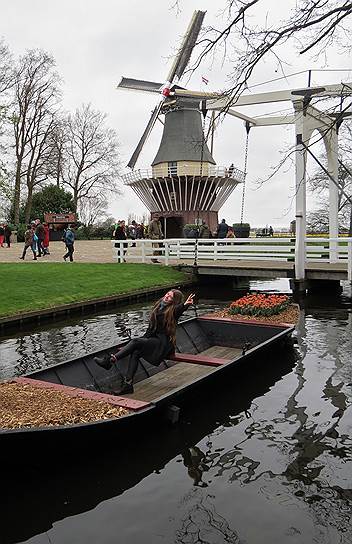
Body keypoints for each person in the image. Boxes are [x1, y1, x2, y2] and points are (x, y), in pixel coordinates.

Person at [94, 289, 195, 394]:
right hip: (154, 339)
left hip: (163, 344)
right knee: (136, 351)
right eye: (167, 294)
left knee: (135, 342)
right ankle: (128, 385)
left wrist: (185, 305)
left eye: (170, 297)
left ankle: (110, 361)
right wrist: (143, 340)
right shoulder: (158, 306)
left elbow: (179, 310)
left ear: (174, 301)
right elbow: (151, 329)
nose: (166, 296)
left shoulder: (173, 311)